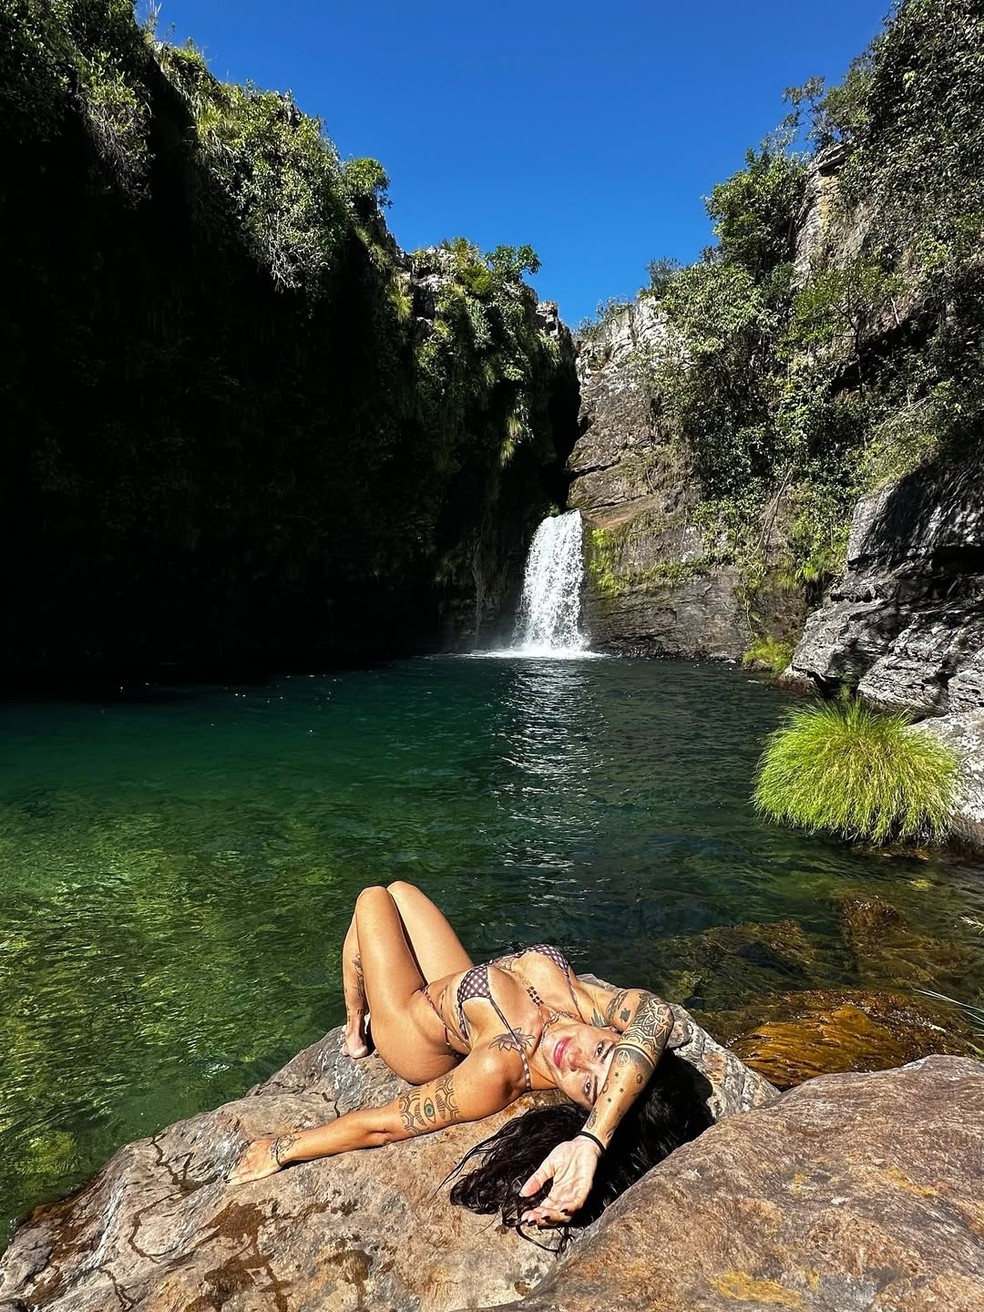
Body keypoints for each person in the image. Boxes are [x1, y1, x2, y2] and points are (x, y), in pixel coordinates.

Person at [230, 882, 710, 1230]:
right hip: (461, 986)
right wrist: (596, 1138)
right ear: (616, 1036)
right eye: (602, 1051)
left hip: (415, 1029)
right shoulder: (593, 1004)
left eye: (587, 1086)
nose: (575, 1059)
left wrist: (281, 1149)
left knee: (372, 901)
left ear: (581, 1104)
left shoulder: (501, 1066)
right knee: (402, 891)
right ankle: (357, 1021)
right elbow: (657, 1015)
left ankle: (357, 1026)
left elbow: (384, 1125)